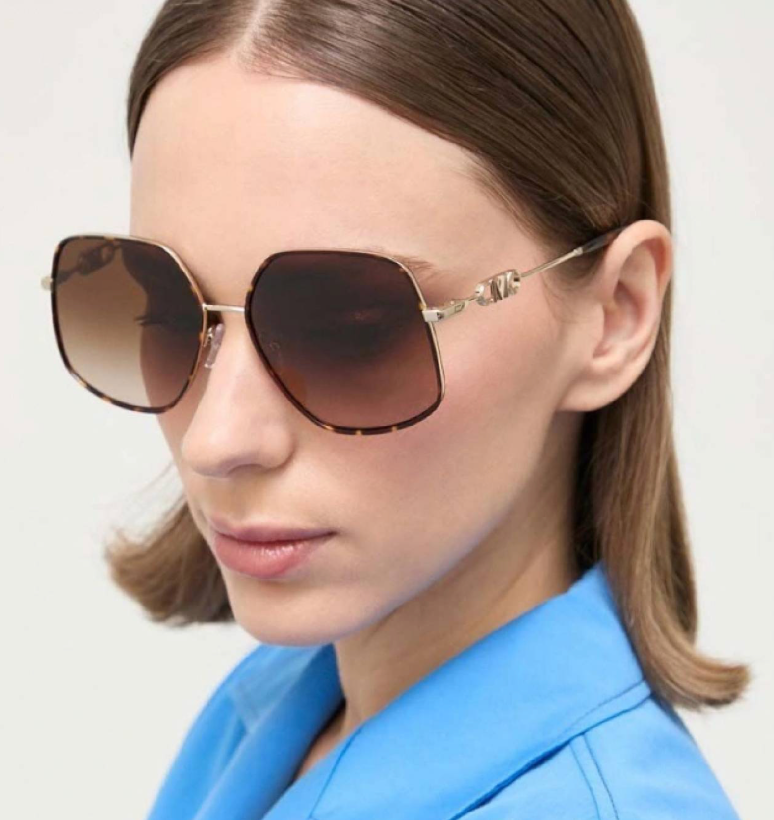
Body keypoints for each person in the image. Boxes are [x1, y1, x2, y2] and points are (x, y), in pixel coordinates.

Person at [43, 1, 750, 818]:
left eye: (349, 327)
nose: (215, 438)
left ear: (615, 315)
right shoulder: (277, 717)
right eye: (163, 310)